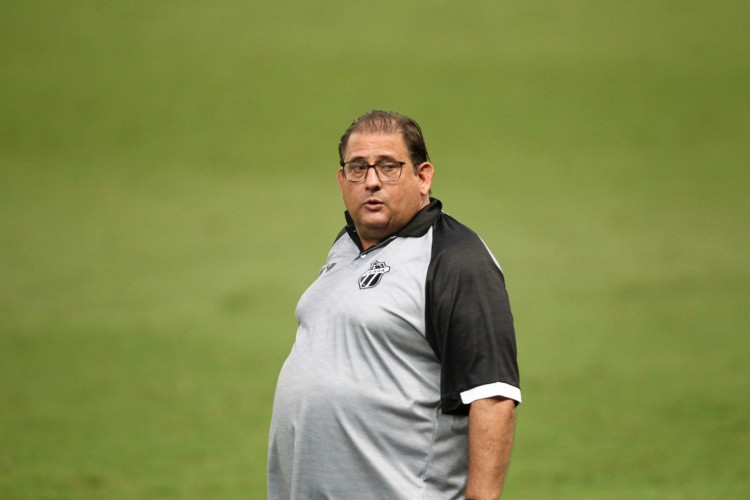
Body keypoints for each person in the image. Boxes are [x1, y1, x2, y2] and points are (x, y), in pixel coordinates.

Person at [267, 110, 521, 500]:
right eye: (358, 168)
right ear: (341, 180)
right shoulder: (346, 247)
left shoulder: (455, 259)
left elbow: (493, 395)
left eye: (388, 167)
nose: (371, 181)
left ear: (423, 177)